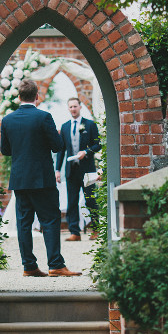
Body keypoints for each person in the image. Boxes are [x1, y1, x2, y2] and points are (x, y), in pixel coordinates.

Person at [1, 78, 81, 277]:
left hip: (20, 179)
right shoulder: (44, 117)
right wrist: (56, 135)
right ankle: (55, 265)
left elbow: (5, 150)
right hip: (42, 179)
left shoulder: (7, 120)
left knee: (24, 223)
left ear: (19, 97)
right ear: (37, 96)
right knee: (50, 220)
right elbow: (58, 146)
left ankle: (29, 266)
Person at [55, 97, 101, 241]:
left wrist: (86, 152)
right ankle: (75, 232)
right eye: (70, 107)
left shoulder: (90, 125)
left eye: (75, 106)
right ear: (68, 109)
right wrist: (57, 170)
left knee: (90, 199)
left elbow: (98, 144)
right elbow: (61, 151)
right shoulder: (65, 126)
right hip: (71, 170)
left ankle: (96, 229)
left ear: (80, 107)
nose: (73, 109)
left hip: (87, 169)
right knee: (72, 201)